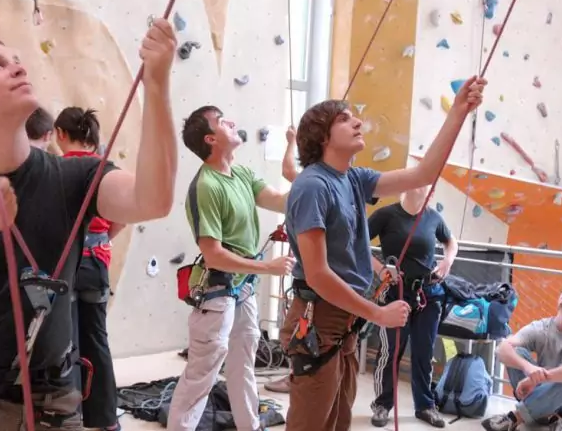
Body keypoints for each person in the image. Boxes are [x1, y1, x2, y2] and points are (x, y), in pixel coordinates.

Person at [0, 18, 177, 431]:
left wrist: (157, 84)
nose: (18, 67)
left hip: (51, 401)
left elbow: (153, 199)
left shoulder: (74, 177)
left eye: (16, 60)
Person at [280, 75, 486, 431]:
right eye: (344, 119)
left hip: (342, 321)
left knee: (336, 420)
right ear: (322, 137)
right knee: (312, 424)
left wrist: (458, 112)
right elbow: (317, 274)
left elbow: (425, 172)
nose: (358, 121)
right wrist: (377, 313)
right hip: (321, 318)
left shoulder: (353, 178)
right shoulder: (313, 185)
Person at [166, 105, 296, 431]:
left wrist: (296, 149)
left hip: (243, 290)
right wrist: (268, 266)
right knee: (201, 375)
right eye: (223, 121)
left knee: (243, 369)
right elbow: (214, 255)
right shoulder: (206, 186)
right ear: (211, 138)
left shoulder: (242, 174)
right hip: (217, 293)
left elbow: (282, 201)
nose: (232, 122)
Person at [52, 106, 126, 431]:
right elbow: (122, 216)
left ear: (60, 135)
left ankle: (71, 415)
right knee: (97, 338)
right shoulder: (106, 169)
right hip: (96, 262)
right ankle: (107, 419)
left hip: (65, 263)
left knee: (65, 340)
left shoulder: (53, 169)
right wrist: (101, 236)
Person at [368, 186, 459, 428]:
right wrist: (380, 269)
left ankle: (425, 406)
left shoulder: (433, 218)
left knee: (424, 351)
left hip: (428, 294)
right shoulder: (386, 215)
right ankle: (382, 404)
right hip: (397, 292)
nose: (424, 186)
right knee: (391, 351)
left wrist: (447, 261)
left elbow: (451, 241)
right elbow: (357, 243)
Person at [481, 283, 562, 431]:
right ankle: (547, 415)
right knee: (517, 351)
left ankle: (516, 417)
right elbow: (502, 349)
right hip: (542, 402)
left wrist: (545, 377)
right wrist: (529, 369)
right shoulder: (542, 327)